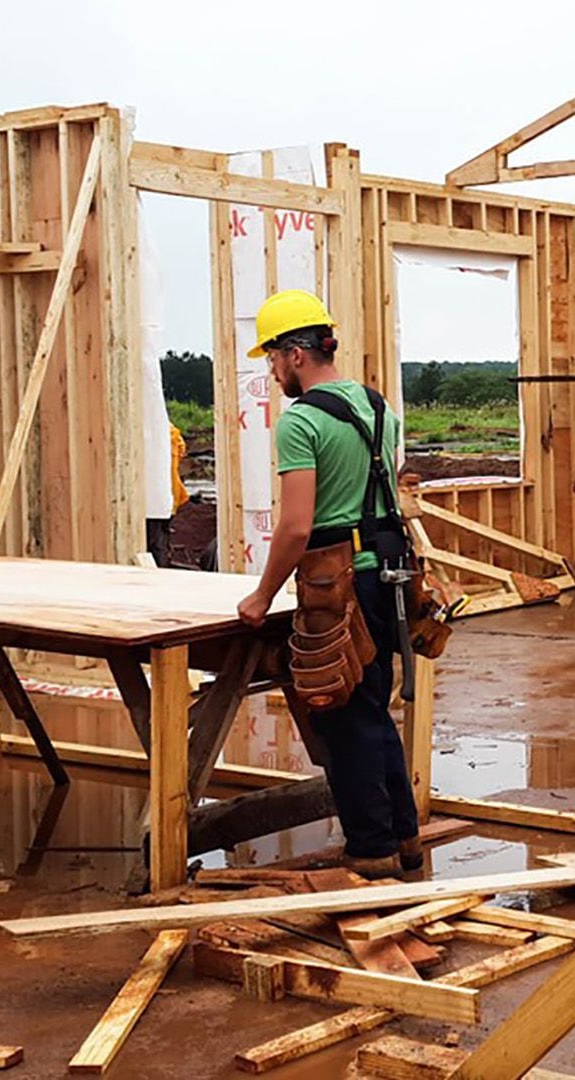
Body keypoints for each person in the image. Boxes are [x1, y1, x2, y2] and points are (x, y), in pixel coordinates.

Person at [236, 291, 422, 878]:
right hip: (392, 573)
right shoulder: (377, 406)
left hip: (340, 585)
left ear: (295, 355)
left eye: (271, 358)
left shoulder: (302, 420)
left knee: (341, 714)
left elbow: (295, 526)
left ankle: (371, 850)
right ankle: (405, 838)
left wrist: (261, 596)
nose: (271, 370)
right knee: (372, 706)